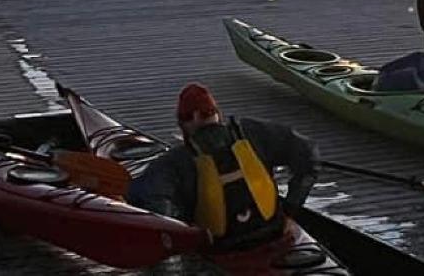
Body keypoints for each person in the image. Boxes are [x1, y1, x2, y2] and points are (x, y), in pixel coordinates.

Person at [128, 83, 317, 250]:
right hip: (273, 233)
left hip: (219, 247)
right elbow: (308, 155)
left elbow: (150, 200)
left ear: (187, 121)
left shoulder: (175, 161)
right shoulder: (255, 133)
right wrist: (291, 210)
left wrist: (183, 234)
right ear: (217, 114)